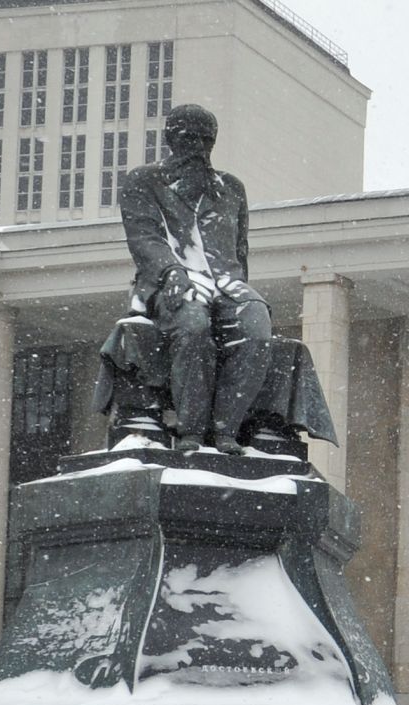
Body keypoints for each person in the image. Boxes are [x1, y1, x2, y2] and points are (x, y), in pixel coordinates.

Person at [117, 103, 272, 454]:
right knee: (193, 325)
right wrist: (172, 271)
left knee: (257, 328)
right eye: (189, 139)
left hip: (225, 283)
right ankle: (192, 430)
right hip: (171, 278)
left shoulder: (231, 188)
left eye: (205, 140)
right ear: (171, 139)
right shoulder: (143, 180)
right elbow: (144, 237)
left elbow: (240, 249)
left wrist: (237, 294)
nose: (198, 147)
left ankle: (226, 429)